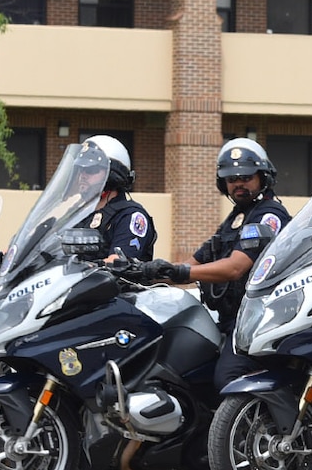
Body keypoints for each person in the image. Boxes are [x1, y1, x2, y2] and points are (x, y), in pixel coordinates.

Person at [136, 140, 291, 389]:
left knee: (228, 379)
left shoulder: (269, 215)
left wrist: (182, 272)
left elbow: (235, 268)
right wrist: (147, 274)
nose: (238, 183)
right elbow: (196, 261)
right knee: (188, 369)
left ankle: (276, 424)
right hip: (231, 319)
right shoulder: (237, 218)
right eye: (231, 179)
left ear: (263, 176)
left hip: (257, 321)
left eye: (246, 176)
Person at [83, 134, 156, 263]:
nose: (82, 176)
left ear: (112, 176)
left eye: (91, 170)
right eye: (80, 170)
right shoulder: (79, 214)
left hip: (112, 283)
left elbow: (119, 262)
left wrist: (83, 267)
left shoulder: (130, 216)